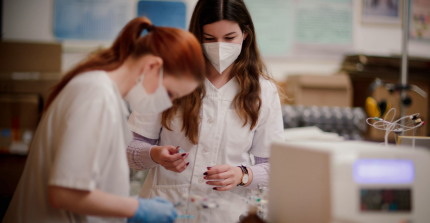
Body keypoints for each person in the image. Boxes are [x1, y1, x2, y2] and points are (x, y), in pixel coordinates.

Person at [2, 17, 205, 223]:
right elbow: (64, 193)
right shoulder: (96, 95)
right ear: (152, 65)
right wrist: (136, 207)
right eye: (170, 93)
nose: (168, 104)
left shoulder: (103, 93)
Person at [126, 0, 285, 222]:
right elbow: (128, 150)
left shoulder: (263, 92)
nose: (220, 47)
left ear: (245, 35)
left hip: (226, 213)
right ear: (196, 36)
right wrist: (155, 155)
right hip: (167, 209)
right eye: (209, 39)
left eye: (229, 38)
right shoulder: (168, 77)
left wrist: (242, 174)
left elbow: (274, 168)